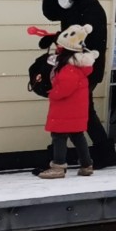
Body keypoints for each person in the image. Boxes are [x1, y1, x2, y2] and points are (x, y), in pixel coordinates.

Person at [38, 0, 116, 169]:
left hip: (85, 68)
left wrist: (60, 40)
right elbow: (51, 13)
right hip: (74, 67)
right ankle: (98, 154)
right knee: (80, 111)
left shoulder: (91, 9)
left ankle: (67, 158)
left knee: (75, 111)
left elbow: (82, 39)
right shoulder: (74, 6)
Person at [39, 23, 98, 178]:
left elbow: (64, 89)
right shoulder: (77, 66)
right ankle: (87, 164)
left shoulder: (68, 69)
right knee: (78, 136)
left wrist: (52, 93)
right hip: (75, 109)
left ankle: (58, 166)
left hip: (65, 109)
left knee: (59, 137)